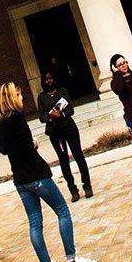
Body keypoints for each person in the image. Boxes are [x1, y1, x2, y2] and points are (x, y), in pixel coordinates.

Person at [0, 82, 98, 262]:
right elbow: (26, 147)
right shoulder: (17, 118)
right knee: (62, 210)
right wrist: (32, 143)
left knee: (35, 223)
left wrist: (15, 147)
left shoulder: (1, 122)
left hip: (20, 180)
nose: (22, 97)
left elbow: (1, 146)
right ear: (12, 97)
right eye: (19, 94)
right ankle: (72, 260)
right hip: (37, 175)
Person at [36, 71, 92, 201]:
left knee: (78, 155)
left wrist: (61, 115)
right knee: (63, 160)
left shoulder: (62, 91)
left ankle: (87, 185)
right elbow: (41, 117)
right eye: (46, 79)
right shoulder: (42, 97)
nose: (49, 81)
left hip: (69, 127)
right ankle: (73, 189)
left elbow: (71, 109)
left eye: (51, 78)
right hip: (55, 132)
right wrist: (51, 116)